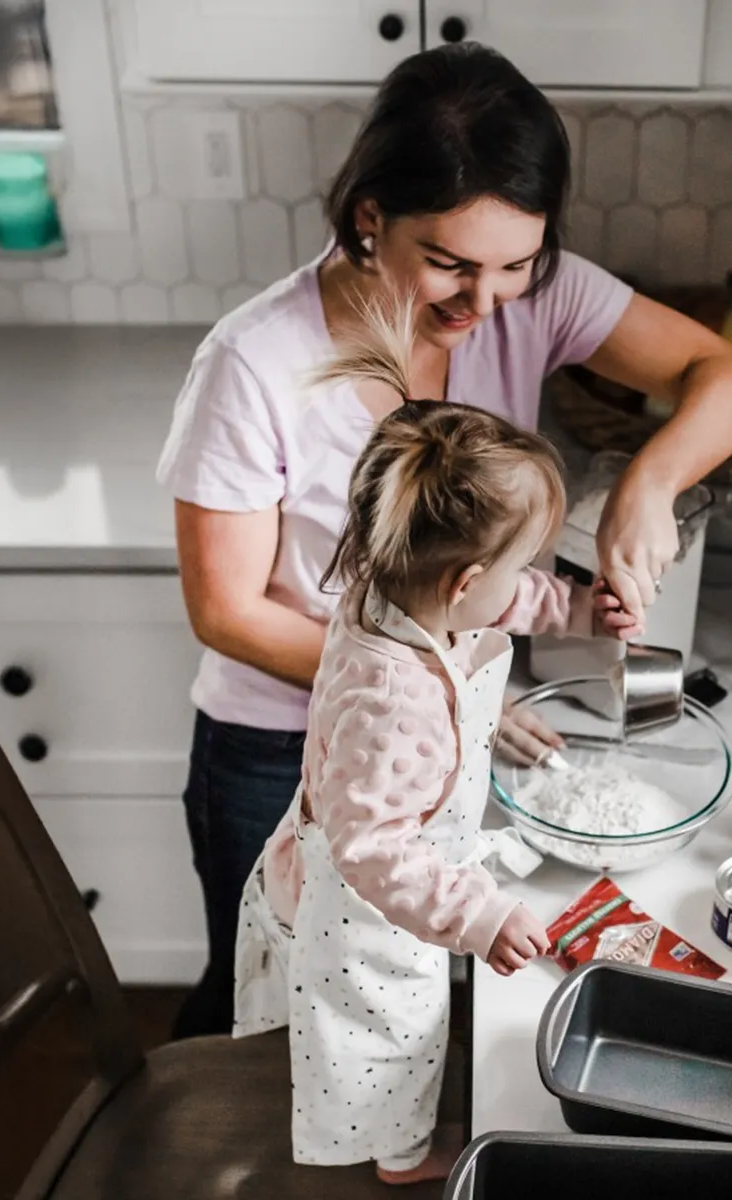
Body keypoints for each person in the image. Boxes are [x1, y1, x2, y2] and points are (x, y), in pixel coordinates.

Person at [156, 41, 732, 1039]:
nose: (482, 307)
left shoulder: (536, 298)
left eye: (514, 267)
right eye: (447, 263)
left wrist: (645, 489)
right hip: (282, 745)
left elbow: (730, 375)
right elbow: (225, 612)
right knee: (262, 1000)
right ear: (369, 219)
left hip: (444, 726)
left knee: (379, 986)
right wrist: (436, 694)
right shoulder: (254, 363)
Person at [232, 292, 637, 1182]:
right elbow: (373, 842)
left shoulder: (391, 576)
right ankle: (403, 1160)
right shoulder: (392, 698)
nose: (531, 581)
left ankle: (404, 1134)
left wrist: (573, 608)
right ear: (466, 582)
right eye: (527, 567)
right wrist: (477, 914)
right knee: (394, 1033)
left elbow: (498, 598)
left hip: (406, 865)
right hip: (369, 908)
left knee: (415, 1024)